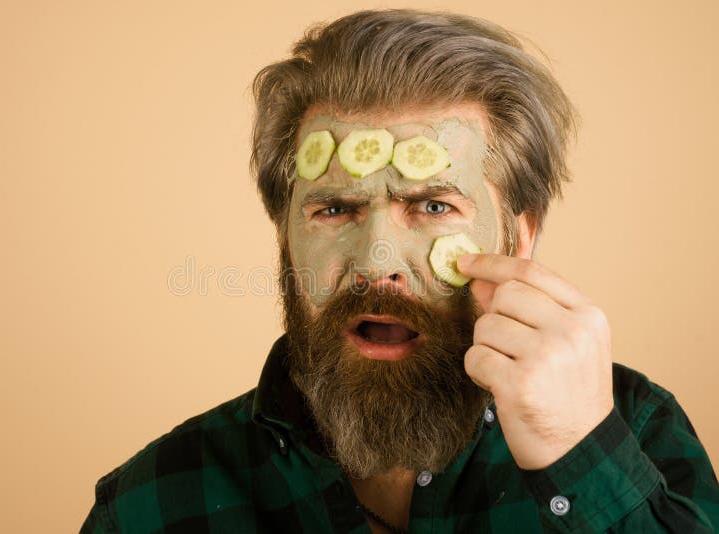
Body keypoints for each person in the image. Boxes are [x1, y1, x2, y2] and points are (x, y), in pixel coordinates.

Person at [80, 9, 719, 533]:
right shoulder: (150, 505)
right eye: (334, 208)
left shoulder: (632, 431)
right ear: (285, 236)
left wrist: (579, 457)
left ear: (517, 238)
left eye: (432, 205)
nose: (377, 263)